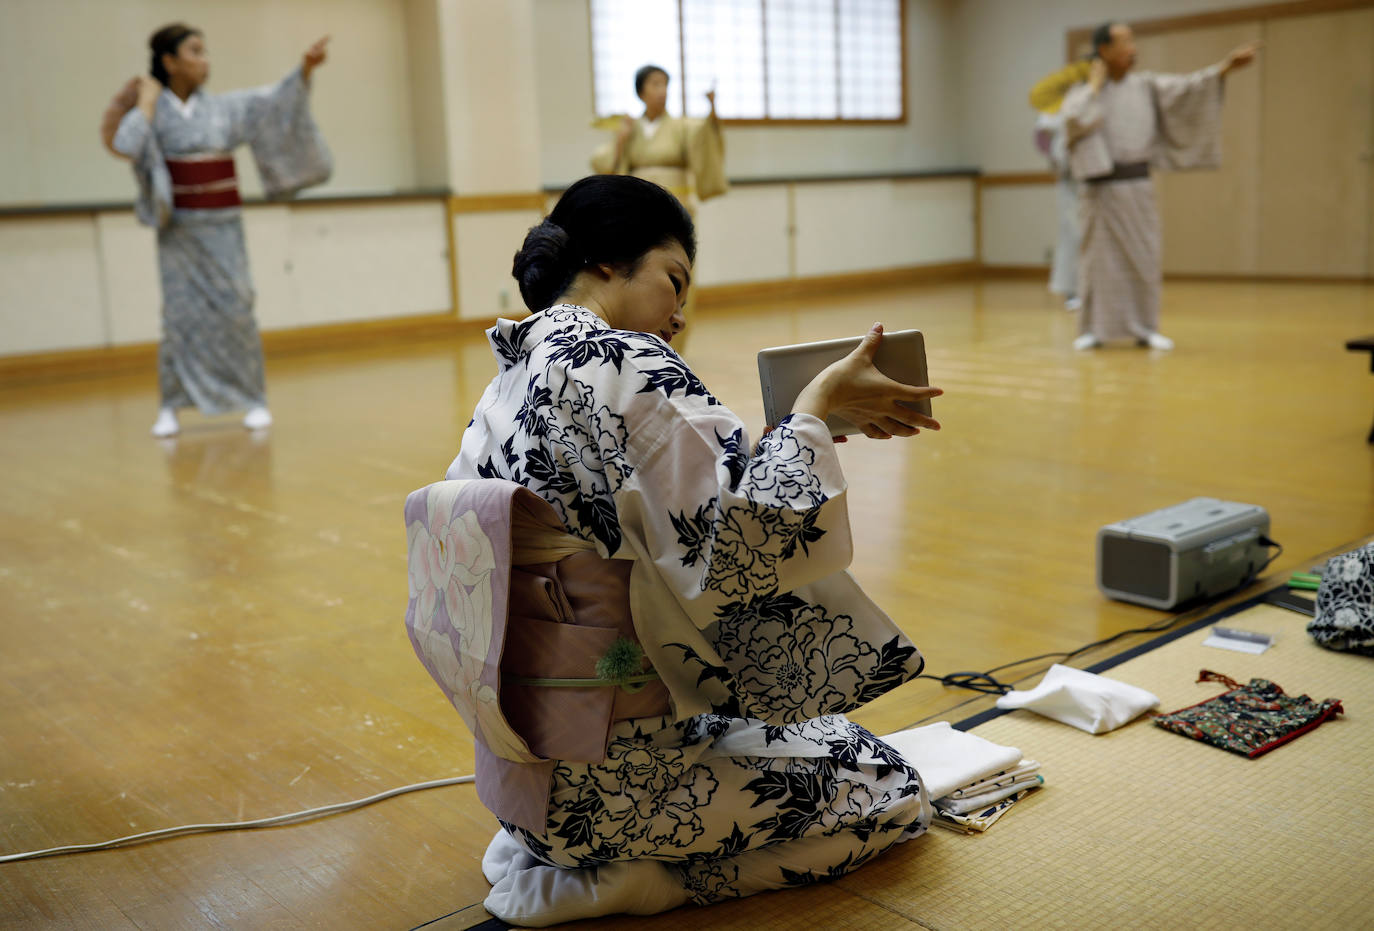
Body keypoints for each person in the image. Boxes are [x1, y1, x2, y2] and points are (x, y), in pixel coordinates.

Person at [437, 175, 943, 926]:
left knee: (823, 735)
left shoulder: (509, 378)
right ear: (611, 260)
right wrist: (812, 412)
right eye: (673, 281)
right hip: (616, 793)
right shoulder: (624, 362)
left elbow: (678, 524)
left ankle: (574, 854)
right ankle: (652, 882)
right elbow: (746, 543)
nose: (678, 315)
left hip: (526, 780)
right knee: (895, 790)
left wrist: (799, 436)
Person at [99, 24, 333, 437]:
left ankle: (253, 398)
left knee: (237, 308)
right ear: (169, 62)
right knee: (179, 316)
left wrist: (305, 69)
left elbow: (272, 103)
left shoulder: (223, 109)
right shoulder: (152, 110)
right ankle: (171, 404)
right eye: (195, 52)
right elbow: (127, 144)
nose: (205, 60)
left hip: (224, 226)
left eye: (205, 51)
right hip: (180, 233)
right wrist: (147, 104)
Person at [1059, 23, 1257, 351]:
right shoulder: (1083, 92)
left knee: (1144, 256)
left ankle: (1146, 327)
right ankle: (1094, 328)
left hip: (1137, 185)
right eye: (1124, 43)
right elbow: (1074, 122)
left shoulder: (1146, 86)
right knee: (1098, 261)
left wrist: (1225, 68)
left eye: (1133, 42)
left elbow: (1189, 88)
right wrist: (1094, 87)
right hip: (1100, 191)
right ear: (1104, 50)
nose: (1132, 49)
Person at [1029, 60, 1092, 311]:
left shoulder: (1100, 99)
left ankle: (1093, 289)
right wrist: (1055, 162)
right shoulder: (1061, 104)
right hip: (1070, 179)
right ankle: (1074, 289)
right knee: (1073, 233)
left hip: (1096, 179)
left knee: (1092, 235)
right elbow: (1042, 136)